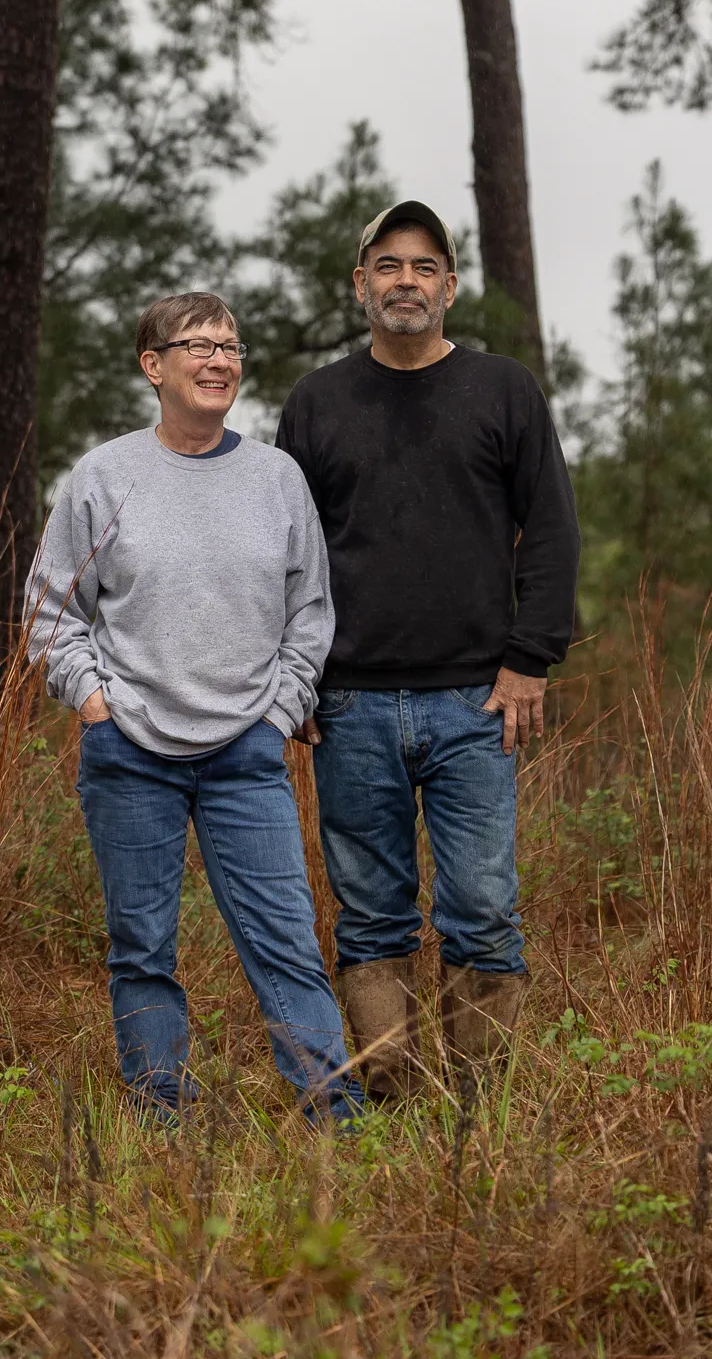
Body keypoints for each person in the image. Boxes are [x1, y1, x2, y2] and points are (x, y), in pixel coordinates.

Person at [25, 292, 359, 1125]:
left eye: (232, 347)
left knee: (286, 942)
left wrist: (280, 713)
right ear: (154, 367)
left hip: (247, 750)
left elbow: (310, 611)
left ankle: (333, 1111)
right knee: (142, 948)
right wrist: (95, 703)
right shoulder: (106, 476)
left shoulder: (275, 479)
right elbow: (52, 608)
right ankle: (159, 1113)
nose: (221, 361)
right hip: (129, 750)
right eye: (200, 346)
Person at [277, 202, 580, 1098]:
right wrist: (295, 682)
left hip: (474, 700)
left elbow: (554, 531)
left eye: (423, 266)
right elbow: (285, 552)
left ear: (449, 285)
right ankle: (396, 1102)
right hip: (349, 704)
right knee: (371, 918)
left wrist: (530, 658)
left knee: (483, 912)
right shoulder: (317, 401)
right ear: (360, 285)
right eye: (387, 265)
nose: (404, 280)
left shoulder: (504, 390)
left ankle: (478, 1112)